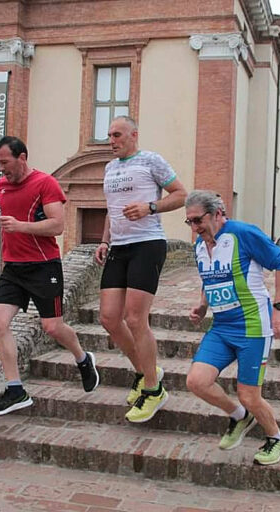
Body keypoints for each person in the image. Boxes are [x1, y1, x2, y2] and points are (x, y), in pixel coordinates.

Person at [0, 136, 99, 416]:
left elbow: (58, 226)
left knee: (52, 327)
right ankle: (16, 389)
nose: (1, 169)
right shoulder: (0, 185)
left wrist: (20, 227)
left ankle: (83, 359)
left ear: (22, 157)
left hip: (44, 265)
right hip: (13, 267)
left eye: (5, 162)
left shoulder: (45, 183)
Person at [184, 190, 280, 466]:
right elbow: (210, 278)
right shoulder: (199, 245)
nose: (195, 228)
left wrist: (279, 310)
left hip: (253, 326)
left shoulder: (242, 233)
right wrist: (202, 306)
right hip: (221, 327)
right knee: (196, 381)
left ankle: (278, 439)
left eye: (198, 220)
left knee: (249, 394)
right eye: (190, 223)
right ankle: (239, 416)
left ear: (218, 214)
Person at [94, 116, 187, 423]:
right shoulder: (110, 168)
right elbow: (111, 209)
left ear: (133, 134)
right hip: (118, 247)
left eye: (117, 134)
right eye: (109, 135)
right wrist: (104, 240)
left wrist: (150, 207)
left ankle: (152, 388)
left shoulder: (151, 160)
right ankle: (145, 371)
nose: (112, 140)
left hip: (147, 244)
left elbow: (180, 195)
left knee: (135, 318)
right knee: (109, 317)